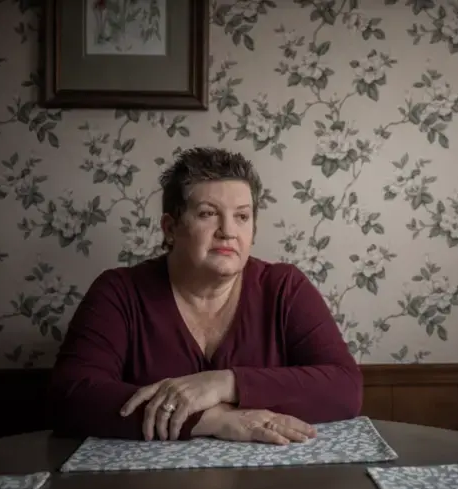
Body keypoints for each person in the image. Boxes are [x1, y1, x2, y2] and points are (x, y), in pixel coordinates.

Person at [47, 147, 363, 445]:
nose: (228, 230)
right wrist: (214, 419)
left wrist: (224, 383)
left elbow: (345, 388)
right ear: (170, 228)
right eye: (208, 213)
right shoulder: (119, 291)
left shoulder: (284, 288)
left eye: (242, 216)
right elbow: (71, 397)